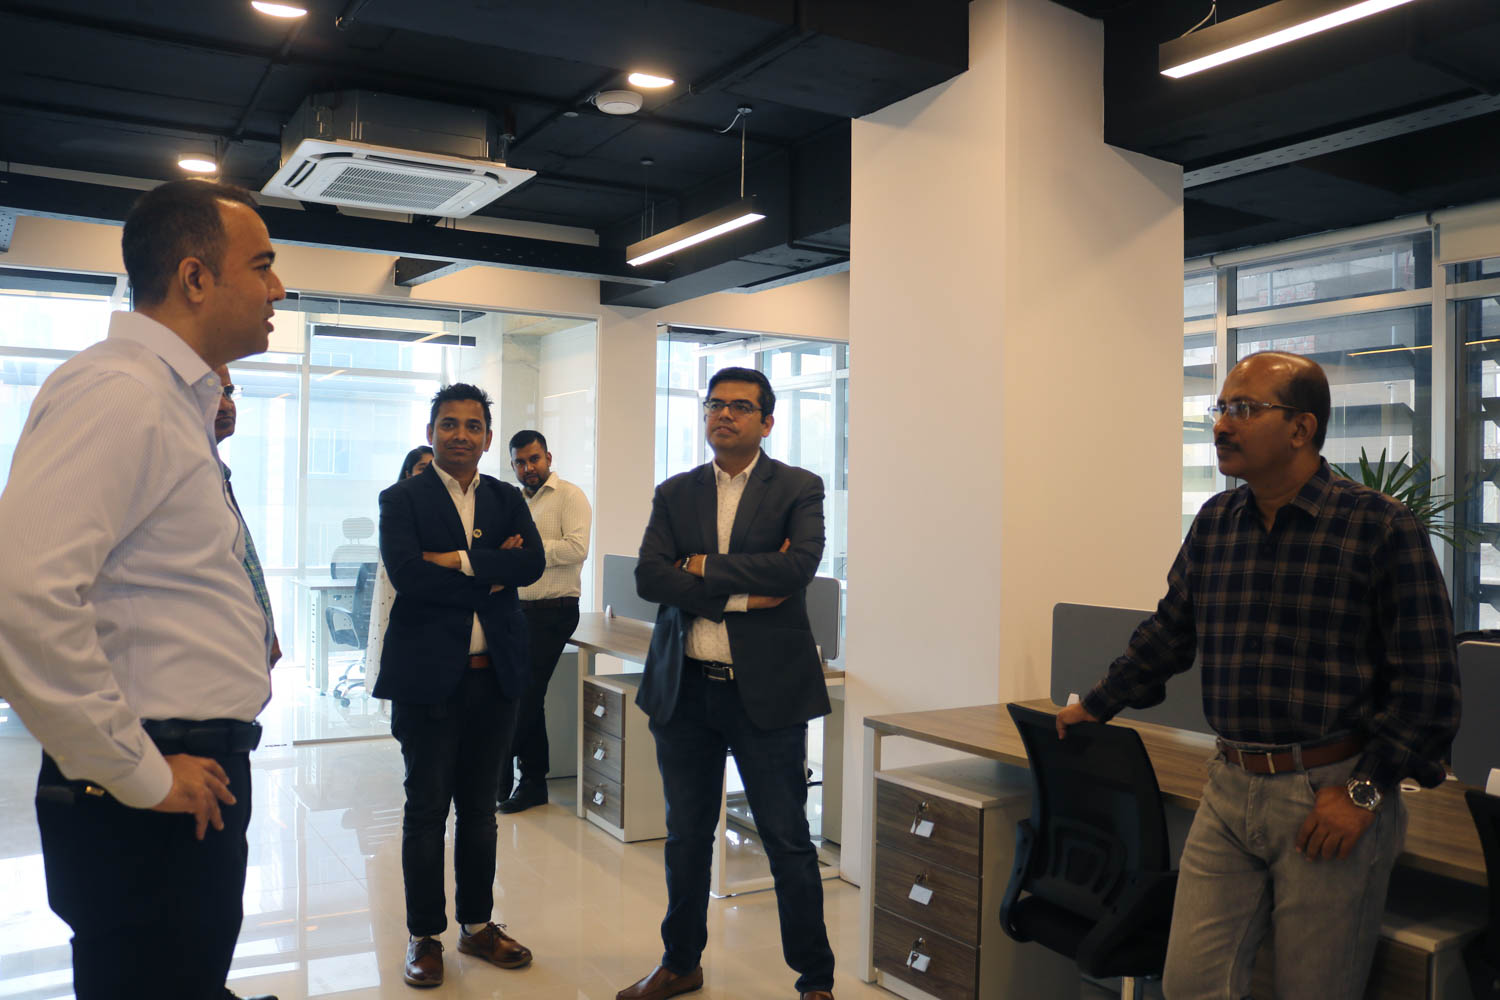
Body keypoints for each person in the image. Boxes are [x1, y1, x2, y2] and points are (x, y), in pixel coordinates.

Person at [1055, 351, 1460, 1000]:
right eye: (1220, 408)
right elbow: (1170, 632)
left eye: (1243, 409)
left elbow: (1429, 684)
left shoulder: (1380, 527)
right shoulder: (1217, 523)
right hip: (1230, 782)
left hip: (1328, 790)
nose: (1221, 424)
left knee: (1313, 990)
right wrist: (1097, 705)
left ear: (1301, 428)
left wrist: (1363, 793)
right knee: (1190, 983)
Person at [0, 178, 284, 1000]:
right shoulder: (121, 391)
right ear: (196, 278)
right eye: (261, 265)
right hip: (151, 785)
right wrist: (141, 774)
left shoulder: (168, 400)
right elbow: (21, 598)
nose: (278, 288)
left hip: (180, 771)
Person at [621, 366, 836, 1000]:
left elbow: (797, 569)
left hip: (765, 693)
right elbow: (649, 576)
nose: (724, 414)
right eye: (715, 404)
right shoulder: (675, 492)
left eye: (740, 406)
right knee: (686, 838)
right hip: (686, 689)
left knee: (787, 840)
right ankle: (680, 962)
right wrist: (739, 596)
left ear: (766, 422)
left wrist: (699, 566)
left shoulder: (798, 487)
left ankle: (815, 980)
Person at [371, 383, 545, 989]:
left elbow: (531, 564)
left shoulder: (504, 497)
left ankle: (477, 925)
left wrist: (457, 560)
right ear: (431, 432)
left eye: (473, 426)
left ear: (488, 438)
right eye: (449, 424)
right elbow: (409, 576)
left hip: (494, 677)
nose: (461, 435)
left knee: (479, 811)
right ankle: (425, 936)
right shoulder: (402, 498)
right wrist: (492, 567)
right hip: (427, 680)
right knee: (426, 811)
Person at [497, 429, 592, 813]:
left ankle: (500, 769)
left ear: (548, 458)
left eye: (533, 459)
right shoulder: (514, 501)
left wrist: (531, 552)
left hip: (554, 610)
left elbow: (577, 548)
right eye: (520, 462)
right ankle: (532, 783)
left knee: (526, 694)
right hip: (516, 609)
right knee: (523, 695)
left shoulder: (569, 496)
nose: (528, 468)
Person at [215, 364, 282, 668]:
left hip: (246, 647)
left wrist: (268, 631)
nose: (225, 405)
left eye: (228, 392)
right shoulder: (183, 481)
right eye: (212, 394)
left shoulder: (219, 476)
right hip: (220, 652)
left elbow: (245, 567)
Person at [365, 445, 434, 697]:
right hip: (399, 585)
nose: (429, 474)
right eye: (422, 468)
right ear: (408, 472)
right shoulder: (397, 501)